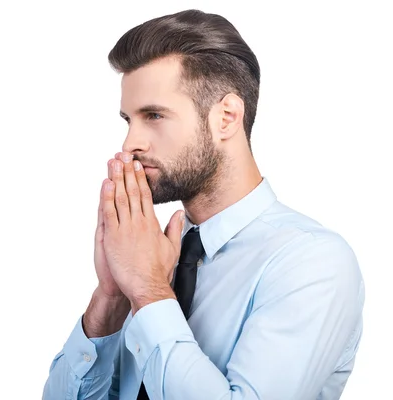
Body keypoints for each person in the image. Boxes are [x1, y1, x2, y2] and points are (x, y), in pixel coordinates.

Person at [42, 9, 364, 400]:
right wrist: (111, 298)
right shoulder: (151, 257)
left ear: (226, 117)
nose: (130, 144)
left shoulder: (312, 262)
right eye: (129, 119)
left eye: (154, 115)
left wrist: (148, 291)